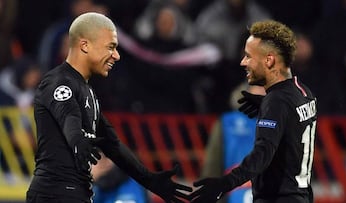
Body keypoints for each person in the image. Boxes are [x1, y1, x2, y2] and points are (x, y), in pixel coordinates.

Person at [26, 12, 192, 203]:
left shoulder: (87, 92)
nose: (116, 55)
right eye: (110, 47)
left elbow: (112, 145)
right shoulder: (59, 84)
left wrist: (150, 180)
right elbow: (69, 122)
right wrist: (85, 159)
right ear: (85, 46)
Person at [189, 20, 317, 203]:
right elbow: (291, 124)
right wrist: (265, 105)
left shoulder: (276, 102)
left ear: (269, 60)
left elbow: (262, 155)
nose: (243, 62)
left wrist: (224, 183)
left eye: (249, 56)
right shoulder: (303, 92)